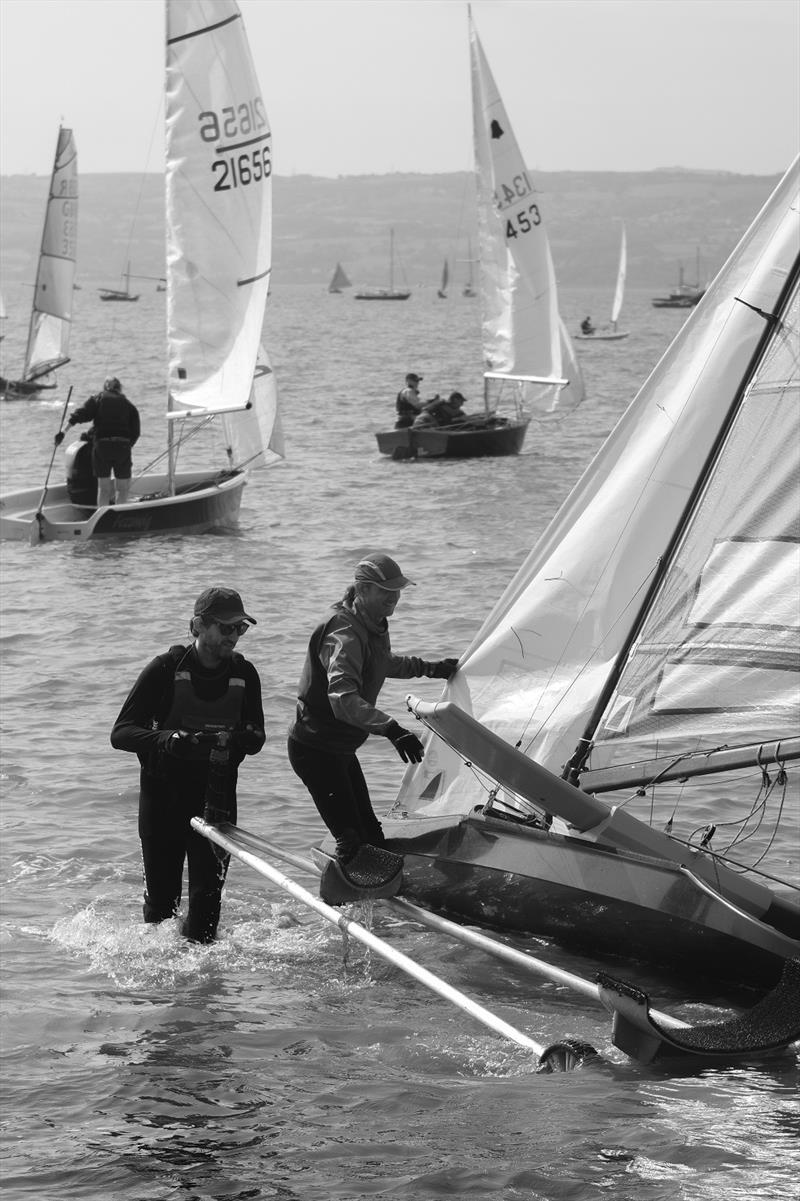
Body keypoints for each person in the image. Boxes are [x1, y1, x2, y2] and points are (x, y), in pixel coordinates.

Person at [110, 587, 266, 944]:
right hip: (163, 800)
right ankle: (160, 992)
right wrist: (168, 739)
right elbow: (121, 733)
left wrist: (238, 739)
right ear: (199, 626)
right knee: (160, 914)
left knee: (205, 924)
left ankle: (202, 997)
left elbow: (256, 739)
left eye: (240, 629)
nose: (233, 636)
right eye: (226, 628)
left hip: (217, 803)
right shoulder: (164, 669)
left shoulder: (246, 674)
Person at [287, 552, 458, 868]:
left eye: (397, 592)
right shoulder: (343, 633)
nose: (393, 599)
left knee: (373, 838)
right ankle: (339, 906)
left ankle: (386, 905)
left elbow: (382, 663)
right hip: (314, 750)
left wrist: (432, 669)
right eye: (385, 592)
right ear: (362, 590)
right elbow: (342, 698)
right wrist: (392, 729)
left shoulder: (373, 623)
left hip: (340, 750)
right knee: (351, 841)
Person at [54, 376, 140, 507]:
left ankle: (103, 519)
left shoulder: (98, 399)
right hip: (122, 447)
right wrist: (128, 446)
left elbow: (78, 415)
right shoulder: (129, 405)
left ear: (105, 387)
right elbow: (136, 432)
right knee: (122, 489)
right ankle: (118, 516)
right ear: (120, 389)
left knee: (103, 488)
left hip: (102, 447)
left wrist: (63, 432)